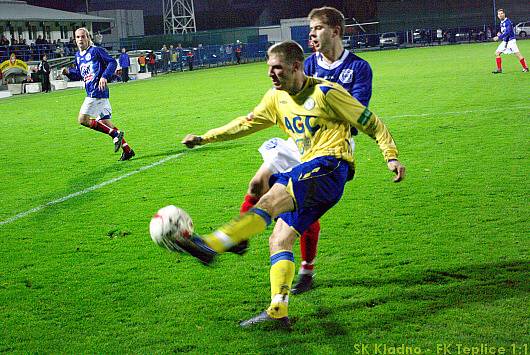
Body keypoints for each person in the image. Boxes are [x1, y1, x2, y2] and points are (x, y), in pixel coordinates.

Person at [180, 40, 405, 328]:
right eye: (268, 69)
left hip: (330, 166)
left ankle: (213, 245)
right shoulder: (276, 98)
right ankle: (278, 311)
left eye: (277, 68)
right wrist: (204, 137)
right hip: (314, 172)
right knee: (280, 239)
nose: (271, 74)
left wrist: (391, 157)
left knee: (270, 199)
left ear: (296, 66)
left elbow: (371, 122)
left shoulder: (327, 93)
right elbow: (244, 124)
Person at [238, 6, 374, 295]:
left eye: (317, 28)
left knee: (305, 210)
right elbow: (293, 94)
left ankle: (306, 269)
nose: (311, 34)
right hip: (300, 140)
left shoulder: (359, 68)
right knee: (257, 181)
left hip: (332, 143)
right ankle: (238, 236)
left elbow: (357, 112)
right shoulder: (307, 64)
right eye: (310, 30)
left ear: (335, 31)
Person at [62, 28, 135, 161]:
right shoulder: (78, 56)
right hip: (93, 92)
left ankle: (115, 134)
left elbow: (112, 62)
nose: (80, 40)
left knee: (82, 120)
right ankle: (127, 150)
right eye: (77, 37)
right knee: (105, 122)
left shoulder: (96, 50)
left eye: (83, 37)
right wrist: (68, 73)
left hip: (97, 91)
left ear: (88, 37)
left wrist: (104, 76)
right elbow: (81, 74)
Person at [492, 8, 528, 73]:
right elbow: (504, 31)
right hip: (505, 41)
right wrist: (500, 33)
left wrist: (499, 37)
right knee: (497, 53)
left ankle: (525, 68)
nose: (500, 15)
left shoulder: (508, 22)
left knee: (518, 54)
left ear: (504, 14)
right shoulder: (502, 22)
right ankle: (499, 69)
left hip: (511, 41)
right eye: (498, 14)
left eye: (501, 13)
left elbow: (508, 32)